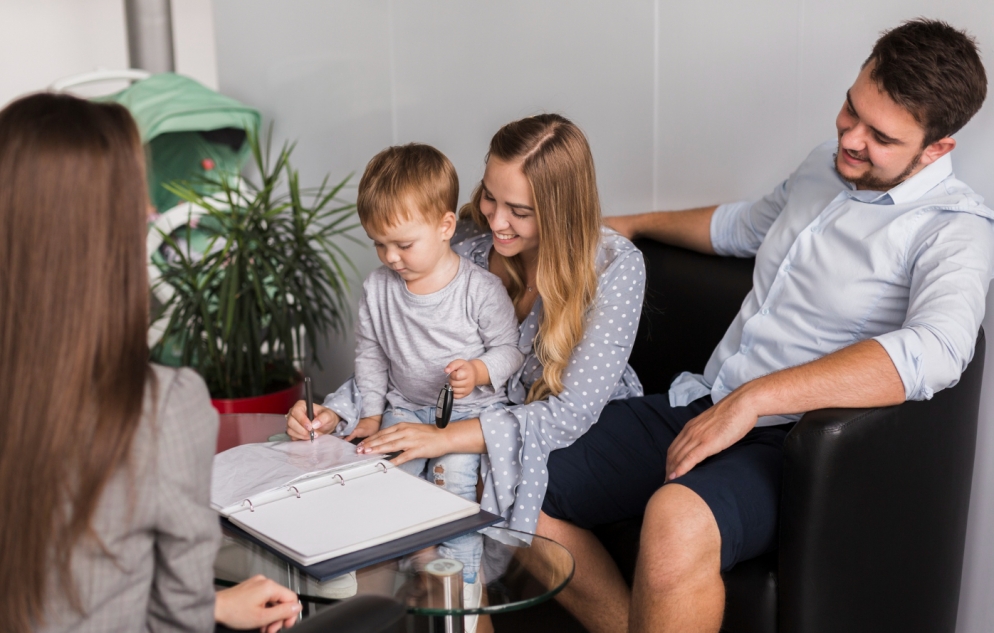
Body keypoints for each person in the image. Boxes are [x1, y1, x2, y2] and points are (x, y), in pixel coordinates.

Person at [537, 18, 993, 633]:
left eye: (880, 137)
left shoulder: (954, 228)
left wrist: (758, 398)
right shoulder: (823, 167)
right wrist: (631, 224)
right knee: (510, 467)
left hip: (796, 448)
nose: (851, 139)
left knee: (676, 519)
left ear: (937, 149)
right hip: (701, 400)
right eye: (850, 110)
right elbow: (744, 228)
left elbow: (938, 351)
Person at [0, 93, 301, 633]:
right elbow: (173, 622)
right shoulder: (160, 406)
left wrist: (212, 605)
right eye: (133, 196)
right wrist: (198, 607)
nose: (147, 210)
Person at [285, 114, 646, 538]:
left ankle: (473, 597)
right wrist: (338, 412)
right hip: (488, 411)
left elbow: (570, 414)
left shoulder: (614, 266)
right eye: (491, 198)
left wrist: (447, 437)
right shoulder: (465, 240)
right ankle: (451, 598)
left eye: (520, 211)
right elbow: (407, 356)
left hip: (592, 425)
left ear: (561, 212)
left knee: (486, 483)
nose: (495, 222)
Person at [295, 143, 525, 590]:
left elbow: (510, 350)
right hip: (403, 407)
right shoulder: (379, 288)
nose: (391, 257)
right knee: (382, 482)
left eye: (403, 244)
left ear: (445, 227)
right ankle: (411, 569)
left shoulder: (480, 289)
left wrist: (478, 371)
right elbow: (371, 354)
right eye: (379, 244)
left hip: (467, 417)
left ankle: (459, 583)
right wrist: (371, 414)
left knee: (454, 490)